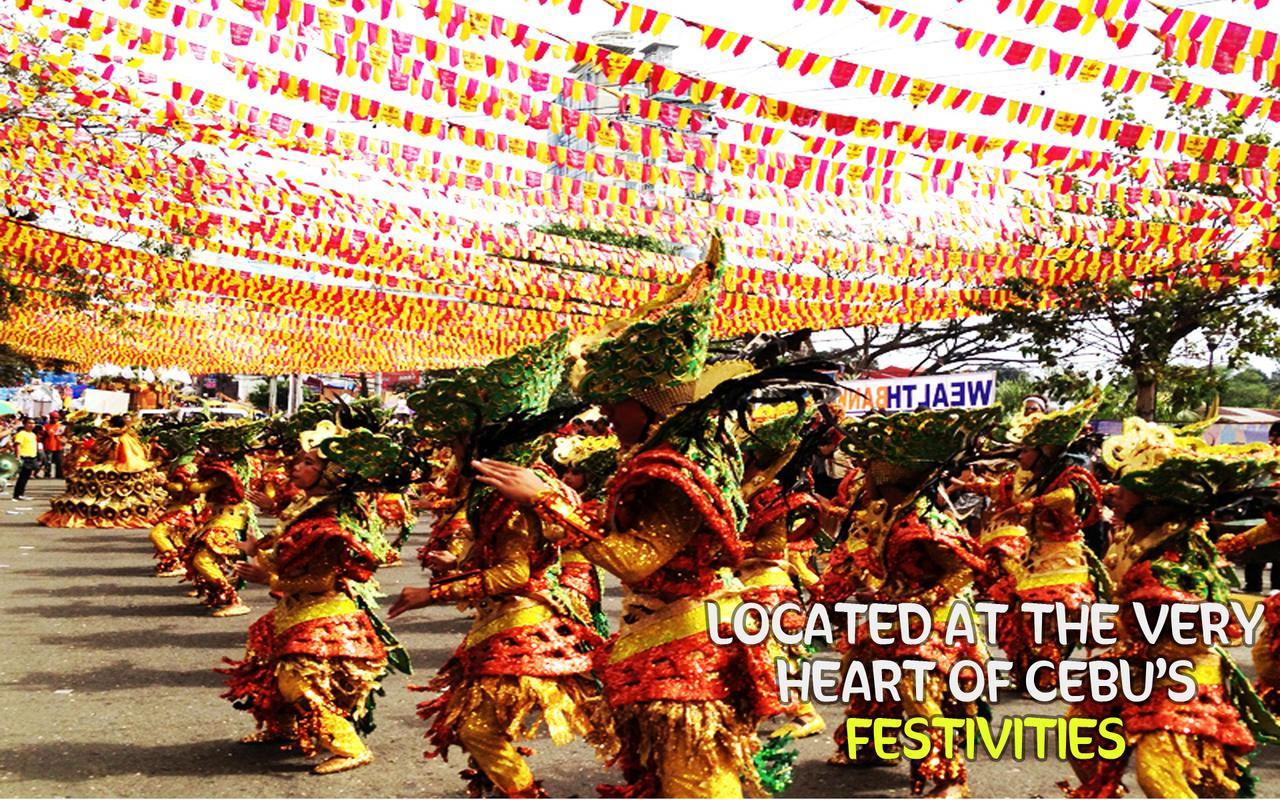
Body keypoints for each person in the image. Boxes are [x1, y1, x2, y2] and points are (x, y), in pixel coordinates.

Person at [473, 236, 825, 796]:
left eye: (616, 401)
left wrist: (549, 500)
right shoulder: (662, 456)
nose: (607, 414)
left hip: (689, 630)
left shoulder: (672, 469)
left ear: (650, 400)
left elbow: (636, 561)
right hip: (667, 624)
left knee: (696, 773)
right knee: (673, 770)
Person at [391, 330, 617, 797]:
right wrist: (455, 562)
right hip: (507, 614)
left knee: (476, 724)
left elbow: (514, 573)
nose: (451, 453)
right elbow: (498, 556)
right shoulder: (497, 495)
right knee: (476, 722)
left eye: (458, 443)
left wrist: (429, 594)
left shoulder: (511, 499)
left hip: (522, 615)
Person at [1065, 416, 1277, 798]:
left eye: (1126, 491)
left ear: (1156, 503)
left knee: (1158, 775)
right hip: (1129, 667)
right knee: (1079, 738)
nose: (1114, 493)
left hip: (1178, 674)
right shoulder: (1132, 536)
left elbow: (1201, 625)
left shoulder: (1179, 557)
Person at [219, 414, 410, 774]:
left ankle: (349, 746)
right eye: (299, 459)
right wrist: (252, 549)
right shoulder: (303, 507)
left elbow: (323, 581)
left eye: (309, 462)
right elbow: (279, 550)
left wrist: (268, 578)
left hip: (323, 611)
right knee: (270, 664)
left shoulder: (331, 525)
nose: (295, 466)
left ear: (334, 473)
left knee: (296, 678)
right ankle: (283, 728)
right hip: (294, 608)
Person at [12, 418, 38, 500]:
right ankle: (18, 494)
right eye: (29, 423)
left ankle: (21, 493)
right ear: (24, 424)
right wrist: (18, 457)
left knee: (26, 476)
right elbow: (17, 445)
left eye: (33, 423)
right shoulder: (21, 433)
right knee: (23, 477)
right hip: (24, 457)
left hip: (32, 457)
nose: (32, 425)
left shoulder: (33, 434)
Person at [41, 413, 64, 479]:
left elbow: (65, 436)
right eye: (53, 418)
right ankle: (47, 474)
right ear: (50, 418)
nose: (54, 419)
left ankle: (59, 474)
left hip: (58, 446)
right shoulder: (46, 426)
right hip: (49, 446)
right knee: (48, 461)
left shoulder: (61, 426)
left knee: (59, 461)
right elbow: (43, 436)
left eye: (56, 418)